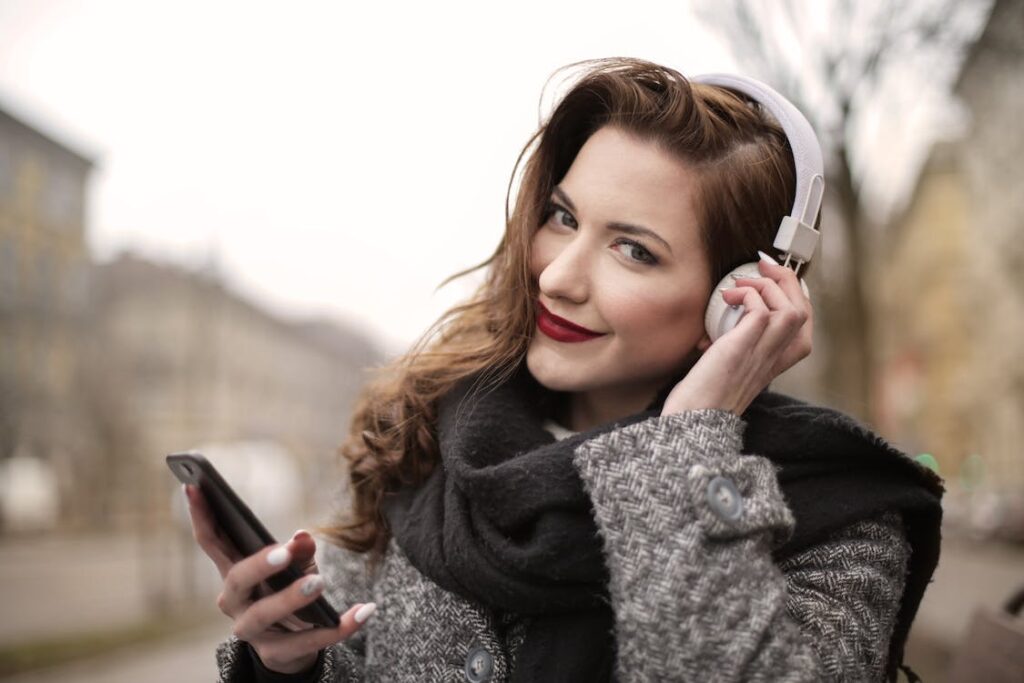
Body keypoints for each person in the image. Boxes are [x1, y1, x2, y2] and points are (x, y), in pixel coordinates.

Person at [185, 57, 943, 682]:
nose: (556, 278)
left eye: (634, 249)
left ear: (736, 299)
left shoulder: (840, 513)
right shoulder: (427, 436)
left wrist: (685, 450)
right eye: (564, 218)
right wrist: (289, 668)